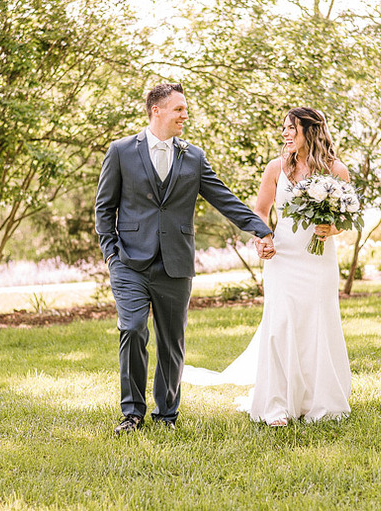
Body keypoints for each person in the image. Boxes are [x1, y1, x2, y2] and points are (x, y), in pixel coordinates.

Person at [95, 83, 275, 433]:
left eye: (185, 109)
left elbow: (223, 198)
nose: (184, 115)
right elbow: (104, 208)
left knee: (171, 341)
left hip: (176, 263)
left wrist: (260, 228)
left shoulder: (193, 156)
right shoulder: (120, 152)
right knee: (132, 330)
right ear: (156, 110)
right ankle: (132, 414)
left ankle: (166, 416)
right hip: (129, 261)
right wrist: (111, 254)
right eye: (179, 109)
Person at [183, 107, 352, 427]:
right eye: (284, 128)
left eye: (292, 128)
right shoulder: (276, 168)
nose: (286, 133)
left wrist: (332, 229)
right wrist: (263, 237)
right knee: (281, 325)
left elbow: (345, 218)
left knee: (317, 324)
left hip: (319, 261)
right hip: (283, 257)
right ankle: (277, 404)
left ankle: (320, 402)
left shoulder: (336, 170)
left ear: (311, 131)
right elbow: (260, 211)